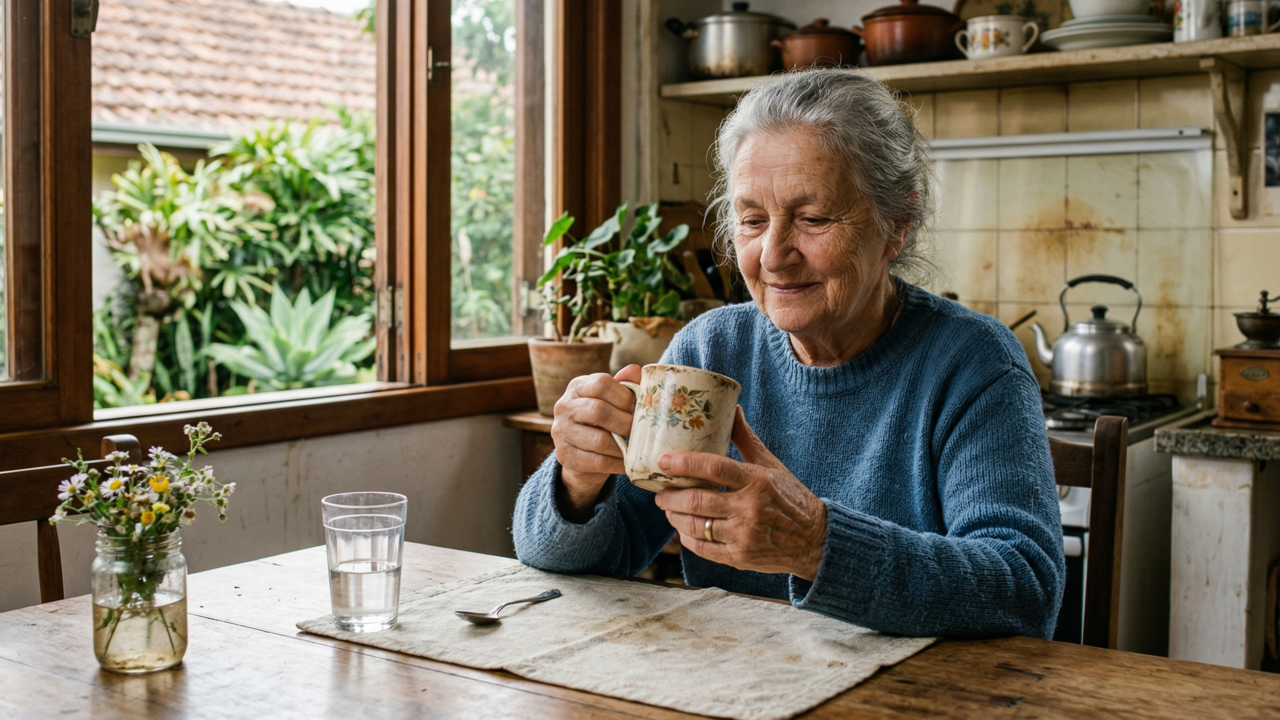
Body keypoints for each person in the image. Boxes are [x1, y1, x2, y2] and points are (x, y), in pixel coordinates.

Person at [512, 70, 1065, 639]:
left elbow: (1023, 590)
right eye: (752, 221)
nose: (773, 256)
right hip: (736, 685)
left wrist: (817, 543)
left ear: (895, 225)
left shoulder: (972, 361)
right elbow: (568, 562)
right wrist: (577, 480)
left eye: (813, 219)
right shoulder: (709, 352)